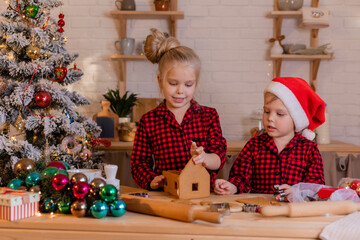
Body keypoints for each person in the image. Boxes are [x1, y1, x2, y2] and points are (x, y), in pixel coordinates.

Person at [131, 28, 227, 191]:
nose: (180, 91)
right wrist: (152, 179)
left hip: (202, 195)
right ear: (160, 81)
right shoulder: (148, 121)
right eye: (173, 83)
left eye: (188, 85)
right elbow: (139, 163)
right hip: (166, 195)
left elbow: (219, 157)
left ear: (195, 84)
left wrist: (204, 158)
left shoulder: (208, 116)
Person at [214, 77, 325, 201]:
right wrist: (232, 186)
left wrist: (296, 192)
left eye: (280, 114)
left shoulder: (309, 149)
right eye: (267, 111)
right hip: (260, 211)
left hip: (295, 212)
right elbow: (240, 177)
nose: (270, 118)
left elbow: (315, 186)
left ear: (296, 119)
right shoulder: (254, 145)